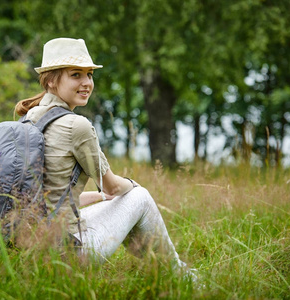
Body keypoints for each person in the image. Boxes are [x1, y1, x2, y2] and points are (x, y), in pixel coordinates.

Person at [15, 38, 197, 281]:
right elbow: (112, 185)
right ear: (51, 80)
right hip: (66, 256)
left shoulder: (26, 121)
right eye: (76, 75)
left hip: (26, 250)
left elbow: (51, 197)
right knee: (139, 197)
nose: (86, 83)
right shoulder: (76, 125)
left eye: (89, 75)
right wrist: (132, 185)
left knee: (119, 201)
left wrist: (101, 197)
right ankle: (182, 278)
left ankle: (161, 273)